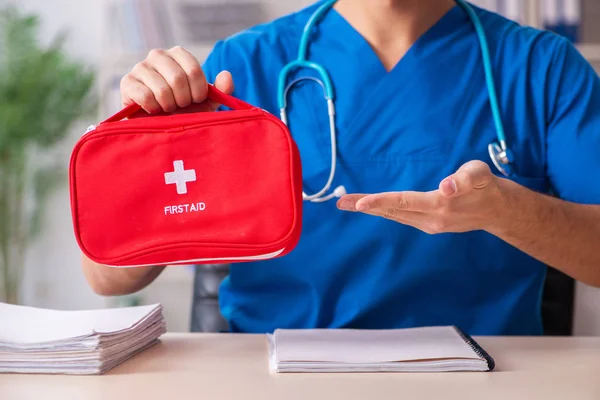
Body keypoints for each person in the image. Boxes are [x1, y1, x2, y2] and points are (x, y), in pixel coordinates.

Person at [82, 0, 600, 336]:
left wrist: (508, 209)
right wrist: (151, 147)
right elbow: (108, 276)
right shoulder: (243, 67)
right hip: (269, 381)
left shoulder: (543, 69)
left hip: (486, 379)